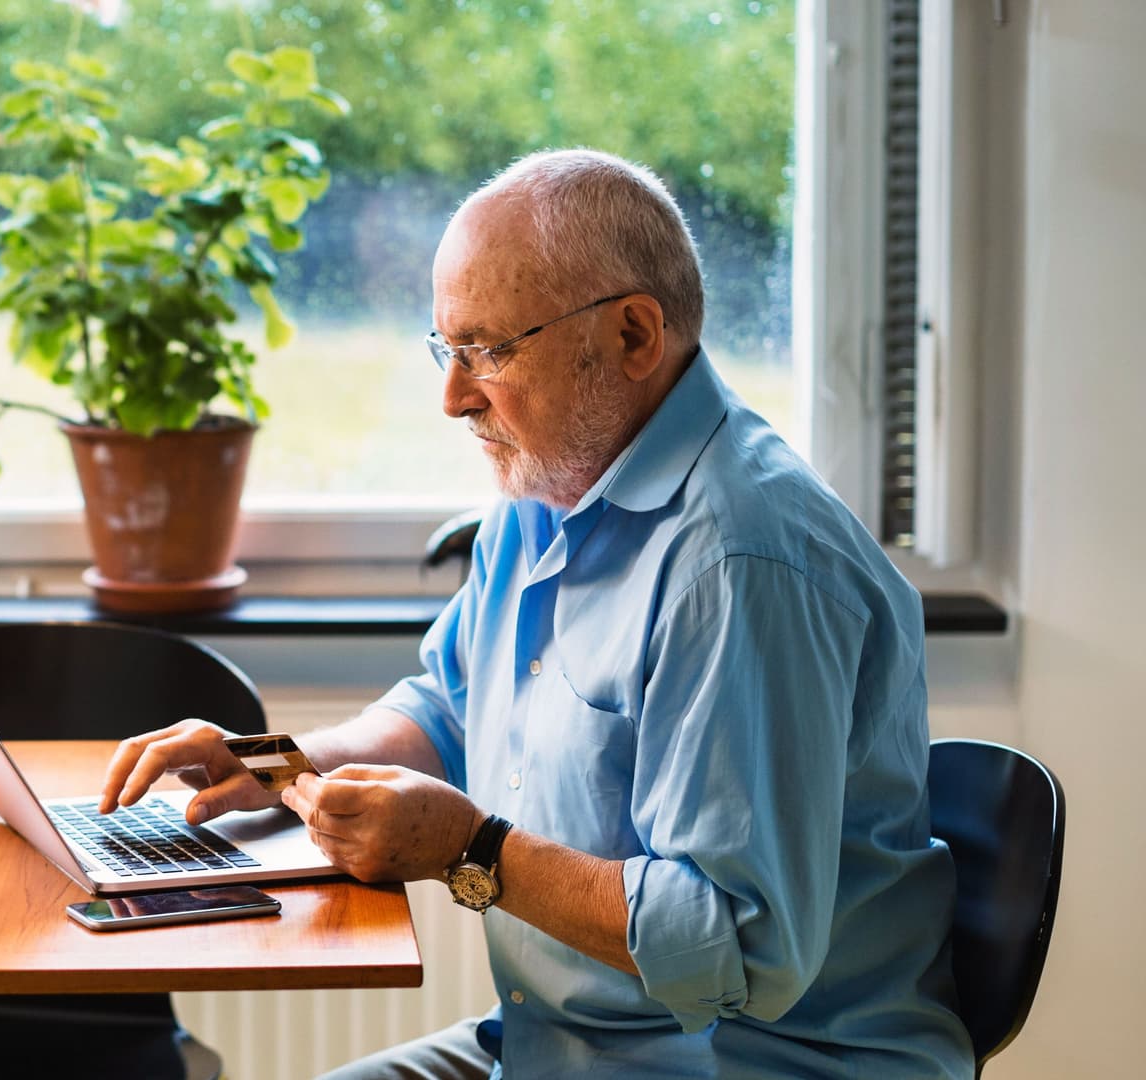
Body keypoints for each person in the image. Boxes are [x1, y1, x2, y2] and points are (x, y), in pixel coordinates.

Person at [97, 148, 973, 1078]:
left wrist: (470, 849)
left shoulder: (740, 562)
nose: (452, 395)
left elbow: (738, 947)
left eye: (488, 350)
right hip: (557, 1050)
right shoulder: (545, 489)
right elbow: (446, 706)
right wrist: (279, 765)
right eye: (446, 347)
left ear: (635, 336)